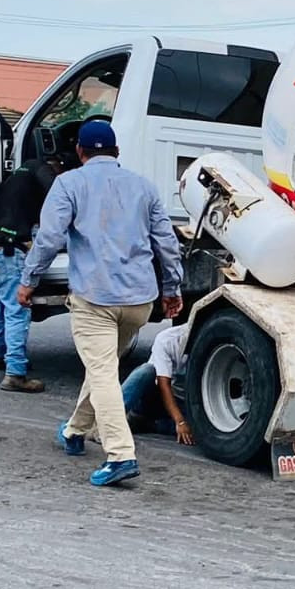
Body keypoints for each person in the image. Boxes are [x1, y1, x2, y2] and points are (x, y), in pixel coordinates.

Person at [17, 120, 184, 487]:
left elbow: (48, 238)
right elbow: (167, 244)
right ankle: (75, 431)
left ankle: (120, 455)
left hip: (95, 298)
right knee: (103, 366)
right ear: (117, 152)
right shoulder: (144, 187)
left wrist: (28, 281)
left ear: (79, 152)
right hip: (140, 301)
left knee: (103, 373)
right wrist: (173, 288)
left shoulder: (69, 184)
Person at [0, 155, 65, 393]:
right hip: (6, 250)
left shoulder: (16, 180)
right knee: (18, 309)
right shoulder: (41, 169)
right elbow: (58, 193)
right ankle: (14, 373)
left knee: (3, 304)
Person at [122, 323, 194, 445]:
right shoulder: (167, 339)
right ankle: (110, 420)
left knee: (202, 432)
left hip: (182, 403)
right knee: (146, 371)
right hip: (156, 395)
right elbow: (163, 384)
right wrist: (180, 421)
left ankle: (148, 424)